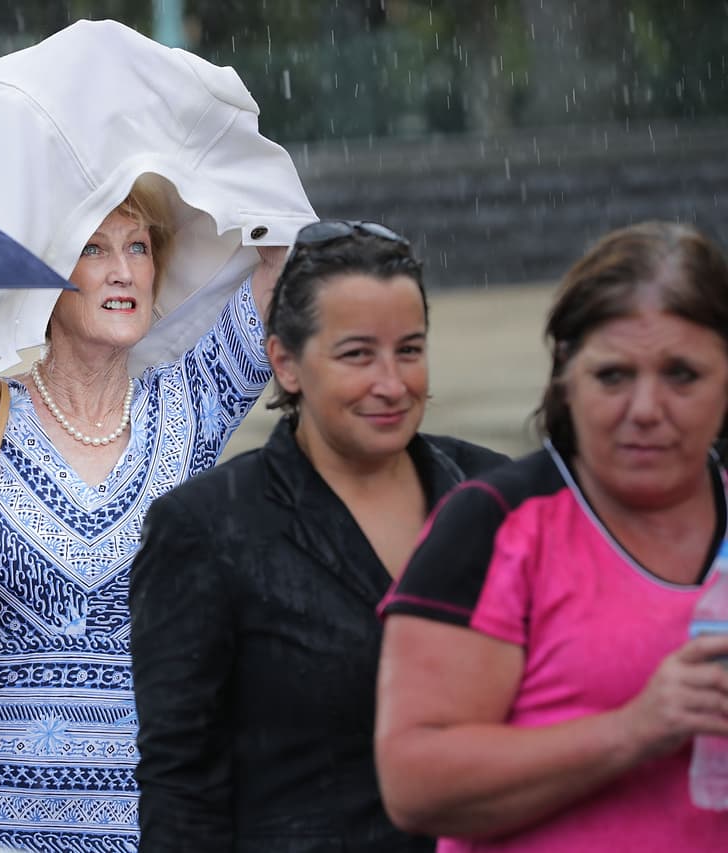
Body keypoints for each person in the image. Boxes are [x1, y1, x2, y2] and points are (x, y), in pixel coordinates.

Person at [0, 183, 286, 850]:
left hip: (144, 820)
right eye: (92, 250)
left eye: (138, 248)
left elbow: (284, 257)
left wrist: (199, 144)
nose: (123, 271)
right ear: (45, 276)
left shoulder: (194, 399)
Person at [129, 221, 508, 852]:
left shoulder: (497, 496)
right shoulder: (207, 527)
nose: (391, 383)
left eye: (409, 350)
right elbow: (181, 786)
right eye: (357, 354)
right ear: (285, 362)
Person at [376, 221, 728, 851]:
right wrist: (636, 729)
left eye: (683, 376)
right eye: (614, 376)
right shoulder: (492, 524)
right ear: (566, 371)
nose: (647, 408)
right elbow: (415, 784)